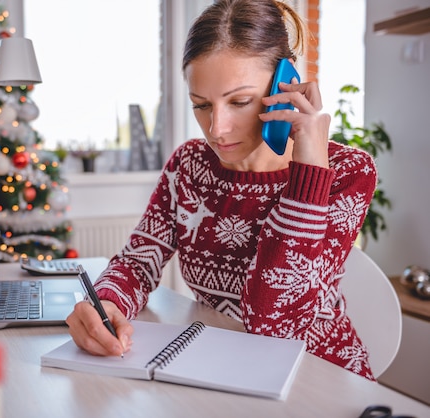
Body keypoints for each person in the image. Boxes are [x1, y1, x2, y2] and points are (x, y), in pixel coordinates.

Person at [66, 0, 377, 381]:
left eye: (240, 101)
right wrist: (106, 303)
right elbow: (137, 260)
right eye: (201, 105)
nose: (217, 128)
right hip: (225, 370)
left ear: (286, 87)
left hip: (323, 377)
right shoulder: (189, 165)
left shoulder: (346, 172)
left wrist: (309, 171)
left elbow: (274, 324)